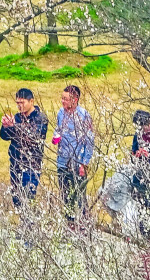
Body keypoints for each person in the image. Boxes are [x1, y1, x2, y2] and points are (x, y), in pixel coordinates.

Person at [0, 88, 49, 207]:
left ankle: (30, 225)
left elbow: (33, 137)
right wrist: (6, 126)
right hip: (15, 164)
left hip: (31, 165)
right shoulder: (17, 117)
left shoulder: (40, 118)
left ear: (31, 101)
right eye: (17, 103)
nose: (19, 106)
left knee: (28, 199)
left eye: (22, 103)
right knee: (17, 200)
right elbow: (4, 136)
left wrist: (15, 126)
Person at [54, 84, 94, 222]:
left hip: (77, 163)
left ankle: (84, 223)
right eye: (62, 98)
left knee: (79, 196)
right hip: (62, 161)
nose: (63, 101)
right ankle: (69, 223)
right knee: (65, 196)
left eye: (66, 99)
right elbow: (58, 129)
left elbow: (89, 142)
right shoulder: (60, 113)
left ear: (75, 99)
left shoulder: (84, 116)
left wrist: (84, 163)